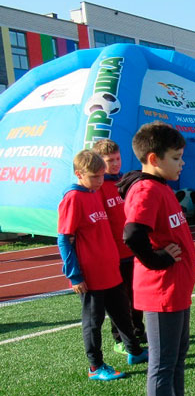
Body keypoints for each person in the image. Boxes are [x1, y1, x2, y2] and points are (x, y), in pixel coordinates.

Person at [118, 121, 195, 396]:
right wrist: (157, 260)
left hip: (177, 291)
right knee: (161, 365)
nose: (182, 163)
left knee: (176, 359)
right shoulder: (146, 190)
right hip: (161, 293)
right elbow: (133, 234)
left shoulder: (161, 186)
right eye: (176, 158)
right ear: (153, 158)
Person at [57, 150, 148, 382]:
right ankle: (95, 366)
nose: (100, 181)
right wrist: (74, 275)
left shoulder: (93, 192)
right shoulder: (73, 198)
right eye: (94, 176)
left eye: (101, 176)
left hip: (110, 269)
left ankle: (135, 351)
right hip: (91, 274)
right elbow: (64, 239)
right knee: (93, 322)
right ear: (79, 174)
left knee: (123, 313)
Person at [91, 140, 146, 351]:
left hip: (134, 251)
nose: (114, 164)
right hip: (114, 255)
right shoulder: (99, 188)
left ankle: (138, 332)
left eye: (117, 159)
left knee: (136, 295)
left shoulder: (126, 181)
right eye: (108, 161)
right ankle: (120, 338)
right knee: (119, 301)